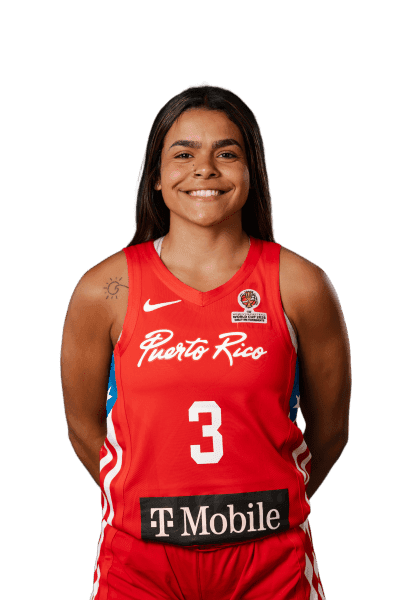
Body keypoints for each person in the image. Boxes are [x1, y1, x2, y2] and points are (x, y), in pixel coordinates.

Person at [60, 84, 351, 600]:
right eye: (184, 154)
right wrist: (140, 500)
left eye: (227, 153)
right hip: (140, 562)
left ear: (251, 172)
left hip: (270, 562)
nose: (205, 169)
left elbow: (330, 433)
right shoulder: (105, 289)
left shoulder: (300, 284)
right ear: (155, 175)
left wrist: (267, 507)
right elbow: (84, 428)